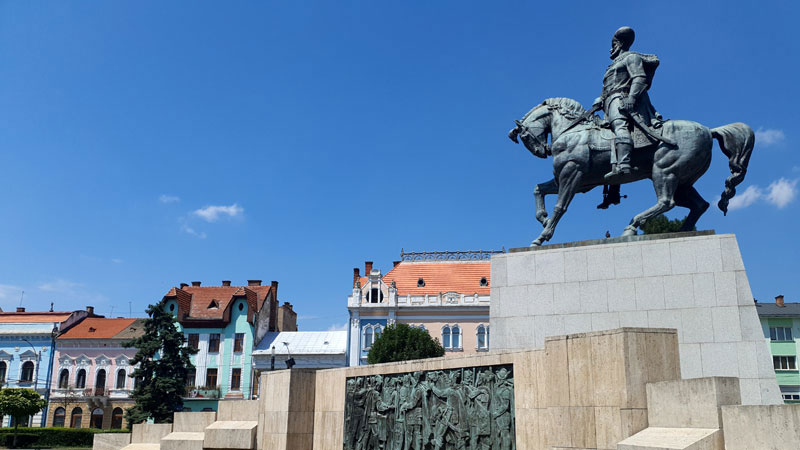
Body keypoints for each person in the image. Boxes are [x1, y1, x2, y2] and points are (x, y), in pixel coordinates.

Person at [594, 26, 661, 184]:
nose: (611, 49)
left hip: (621, 98)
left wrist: (631, 98)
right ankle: (611, 186)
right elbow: (609, 86)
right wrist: (601, 99)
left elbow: (639, 78)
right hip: (608, 103)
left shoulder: (631, 58)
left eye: (613, 44)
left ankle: (624, 165)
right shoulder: (612, 65)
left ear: (620, 44)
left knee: (620, 126)